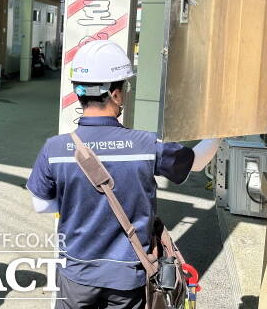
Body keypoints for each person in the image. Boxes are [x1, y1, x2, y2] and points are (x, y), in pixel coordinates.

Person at [27, 40, 220, 309]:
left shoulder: (55, 148)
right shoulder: (144, 145)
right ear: (115, 94)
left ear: (78, 92)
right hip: (127, 276)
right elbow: (197, 161)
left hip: (77, 274)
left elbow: (40, 204)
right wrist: (221, 129)